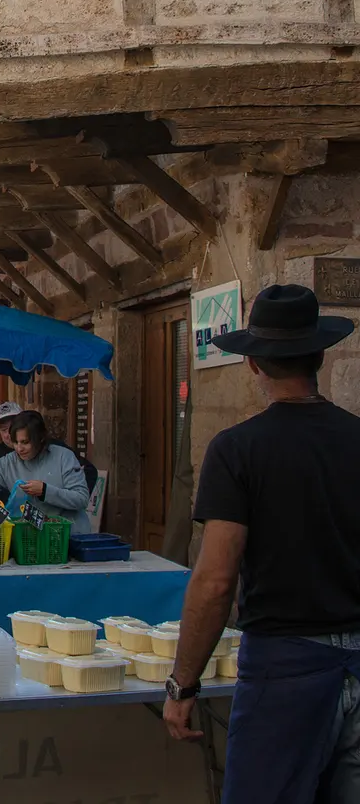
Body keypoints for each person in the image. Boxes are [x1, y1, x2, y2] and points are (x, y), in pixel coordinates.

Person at [163, 284, 360, 803]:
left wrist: (183, 683)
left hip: (285, 665)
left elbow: (215, 579)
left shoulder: (237, 451)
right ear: (320, 355)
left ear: (253, 365)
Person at [0, 411, 91, 532]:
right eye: (15, 442)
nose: (19, 449)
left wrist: (45, 491)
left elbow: (81, 498)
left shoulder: (63, 457)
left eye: (25, 442)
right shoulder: (8, 462)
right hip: (30, 540)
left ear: (41, 438)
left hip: (69, 537)